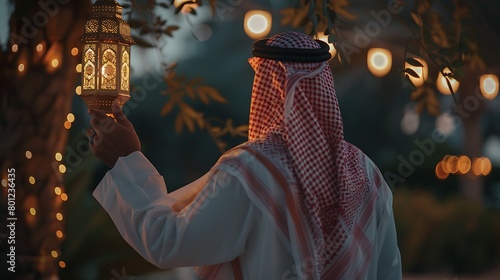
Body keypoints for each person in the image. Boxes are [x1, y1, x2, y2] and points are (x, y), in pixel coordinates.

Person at [88, 31, 402, 279]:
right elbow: (389, 271)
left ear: (270, 85)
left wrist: (126, 159)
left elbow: (169, 243)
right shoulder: (366, 172)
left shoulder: (252, 169)